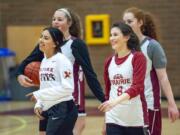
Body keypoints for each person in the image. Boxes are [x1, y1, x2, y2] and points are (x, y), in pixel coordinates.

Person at [17, 8, 105, 135]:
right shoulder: (45, 47)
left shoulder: (75, 45)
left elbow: (90, 74)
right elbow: (28, 62)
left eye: (59, 19)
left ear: (69, 23)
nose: (55, 22)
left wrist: (103, 99)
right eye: (53, 19)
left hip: (70, 98)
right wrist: (20, 75)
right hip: (48, 100)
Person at [123, 7, 179, 135]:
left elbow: (163, 77)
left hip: (149, 104)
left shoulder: (152, 46)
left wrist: (172, 104)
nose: (126, 25)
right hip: (129, 105)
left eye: (130, 21)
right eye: (124, 22)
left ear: (140, 23)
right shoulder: (124, 47)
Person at [98, 22, 149, 135]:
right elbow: (108, 93)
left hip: (135, 119)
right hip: (113, 118)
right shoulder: (109, 62)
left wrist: (115, 102)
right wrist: (105, 120)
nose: (112, 38)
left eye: (115, 35)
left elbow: (137, 87)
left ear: (126, 37)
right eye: (111, 35)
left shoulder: (138, 57)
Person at [26, 27, 78, 135]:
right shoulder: (44, 61)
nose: (41, 40)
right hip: (50, 107)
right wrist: (39, 104)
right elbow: (45, 86)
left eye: (45, 38)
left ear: (55, 43)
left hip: (63, 107)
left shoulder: (62, 60)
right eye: (41, 37)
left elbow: (68, 88)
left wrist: (39, 94)